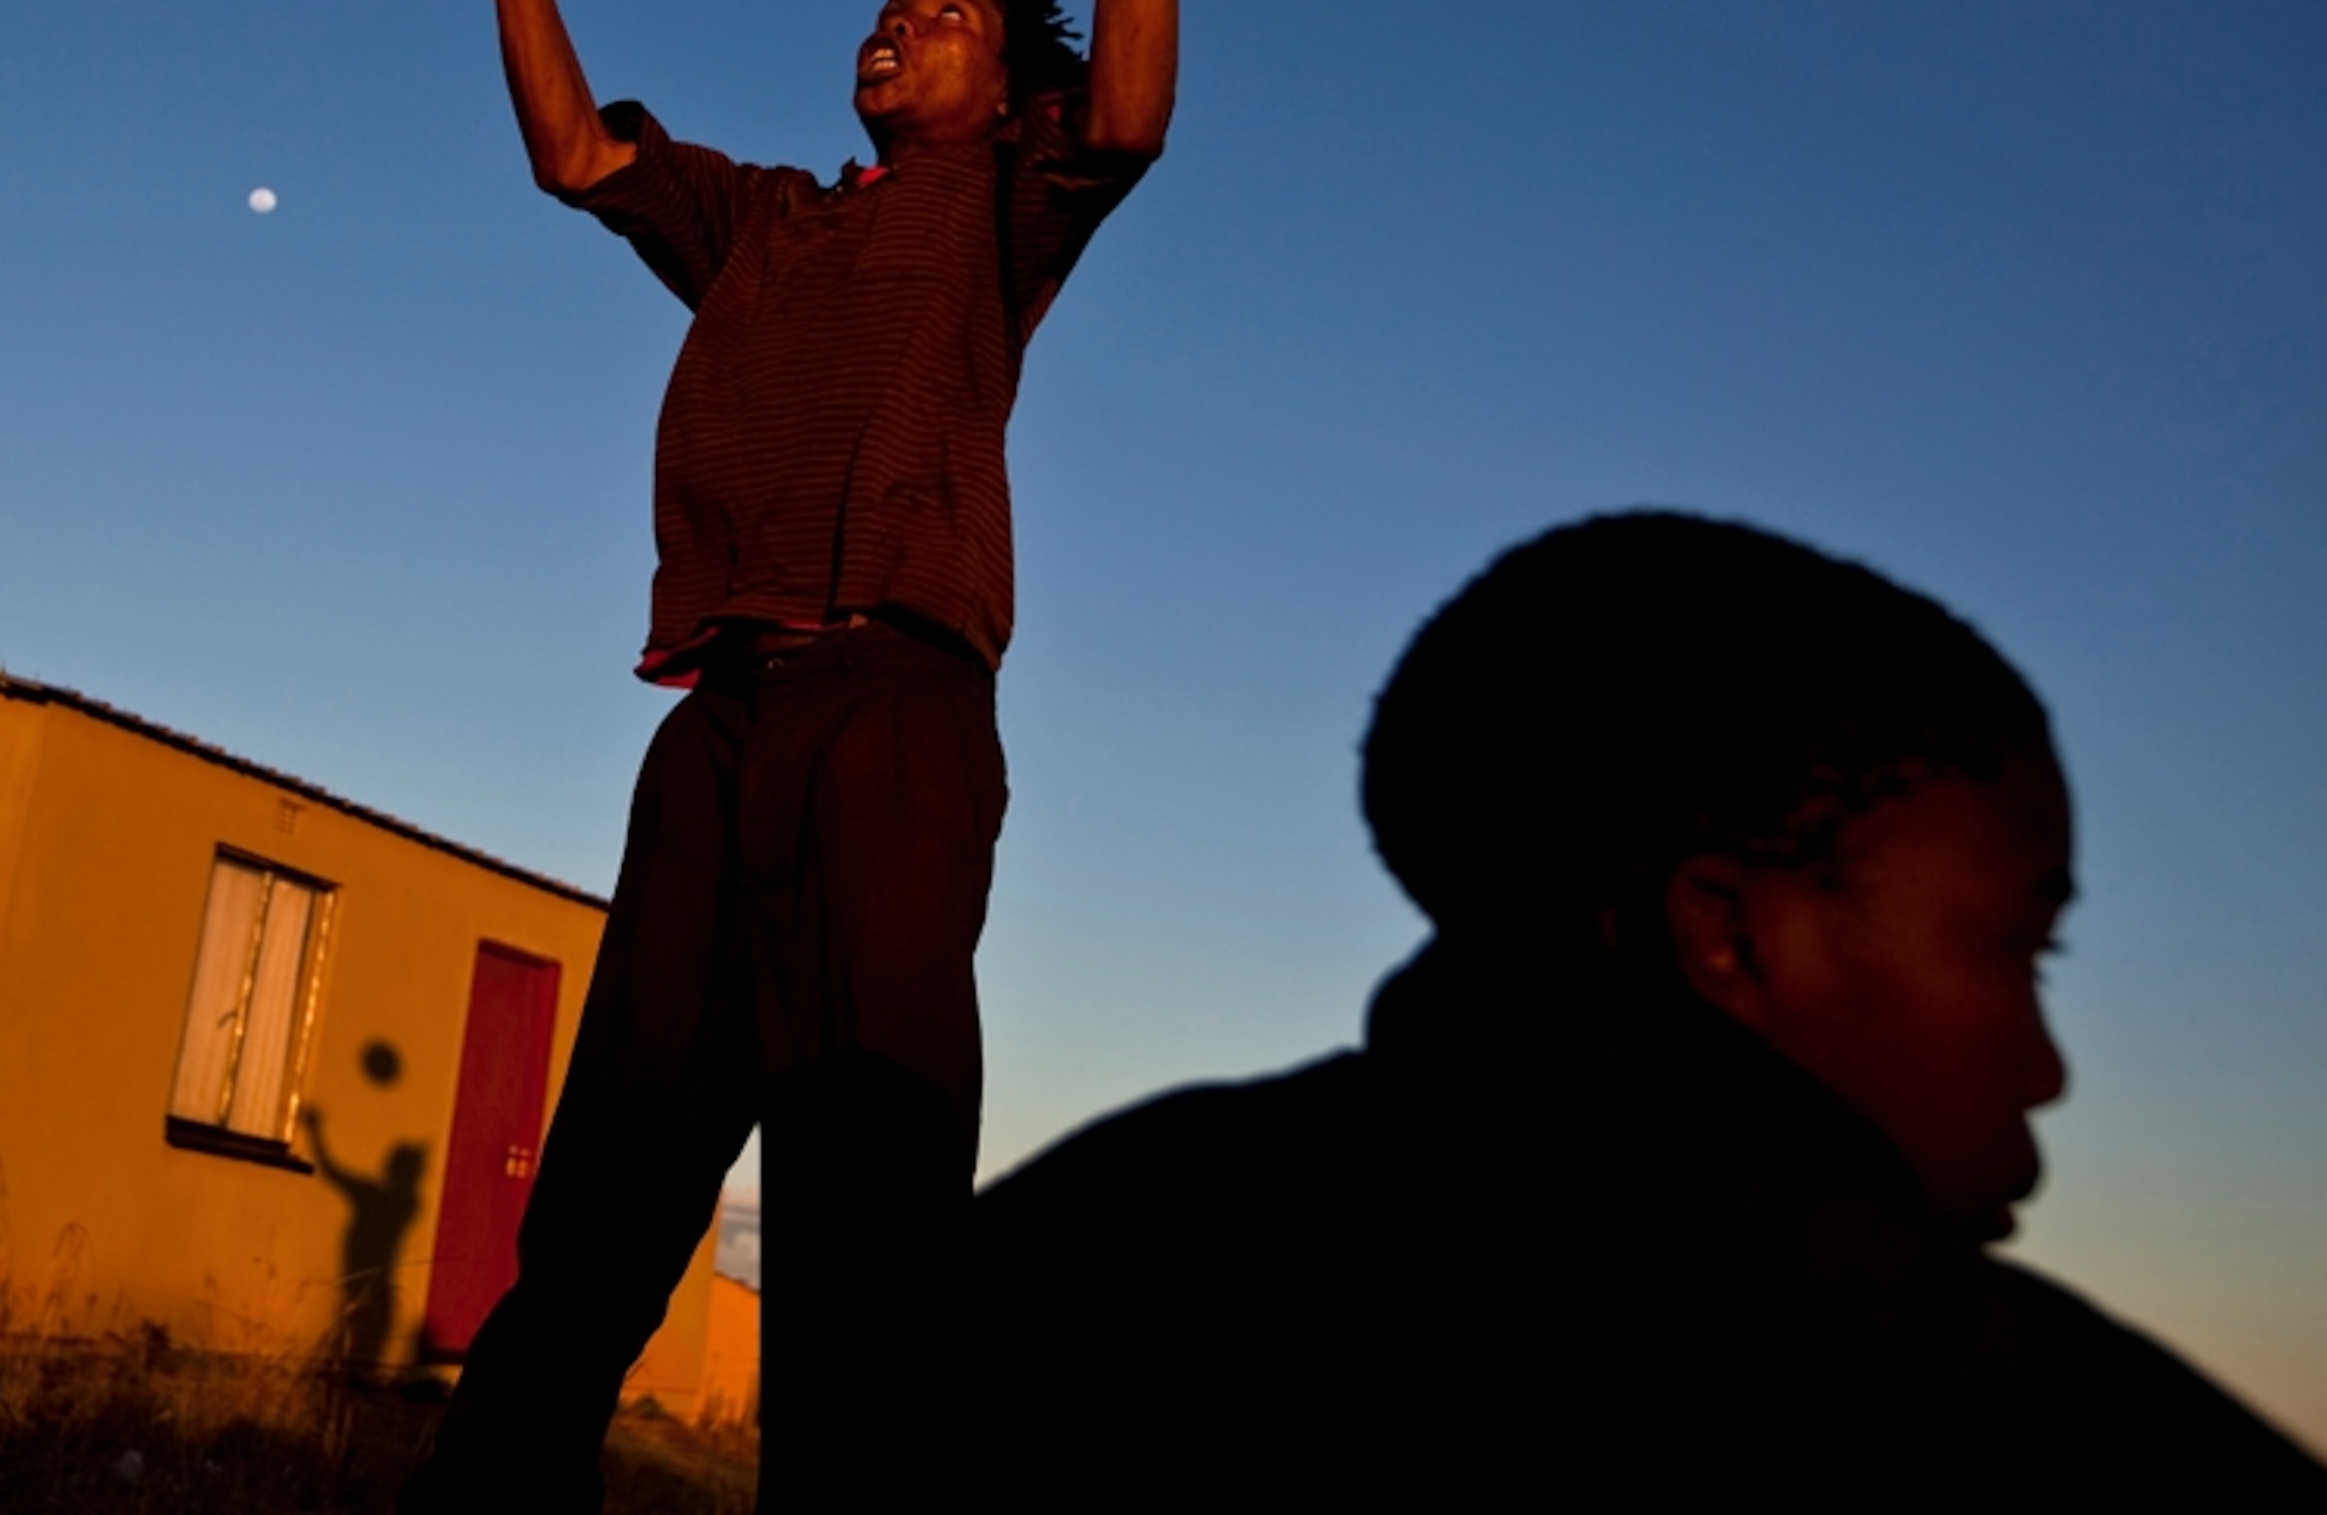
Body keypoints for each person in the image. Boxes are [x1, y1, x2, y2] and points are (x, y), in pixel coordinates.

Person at [389, 0, 1262, 1512]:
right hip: (717, 728)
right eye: (883, 15)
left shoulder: (1008, 205)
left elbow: (1138, 109)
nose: (894, 32)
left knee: (860, 1219)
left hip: (900, 717)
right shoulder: (762, 216)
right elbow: (572, 155)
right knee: (610, 1181)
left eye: (936, 20)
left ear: (1004, 91)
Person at [967, 512, 2325, 1504]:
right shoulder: (2021, 1429)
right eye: (2031, 950)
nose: (2047, 1072)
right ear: (1729, 933)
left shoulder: (1067, 1238)